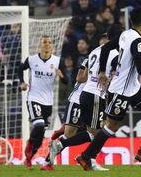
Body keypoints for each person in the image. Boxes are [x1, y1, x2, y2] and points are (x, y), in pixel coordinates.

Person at [75, 7, 141, 170]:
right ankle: (86, 156)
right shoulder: (137, 41)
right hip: (120, 90)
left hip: (133, 87)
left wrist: (102, 72)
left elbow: (106, 48)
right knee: (111, 126)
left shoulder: (125, 34)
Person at [49, 34, 119, 171]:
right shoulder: (113, 54)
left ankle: (87, 159)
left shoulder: (93, 53)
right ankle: (66, 148)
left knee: (91, 132)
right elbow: (80, 78)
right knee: (95, 134)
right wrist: (100, 76)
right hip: (91, 95)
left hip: (86, 95)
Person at [18, 36, 68, 167]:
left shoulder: (58, 61)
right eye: (44, 42)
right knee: (39, 125)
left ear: (53, 46)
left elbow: (67, 80)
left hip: (48, 103)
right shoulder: (32, 59)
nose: (47, 44)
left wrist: (62, 77)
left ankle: (29, 157)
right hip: (34, 98)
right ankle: (29, 144)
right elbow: (20, 68)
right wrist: (22, 82)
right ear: (40, 45)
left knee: (40, 136)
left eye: (49, 43)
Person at [41, 58, 88, 171]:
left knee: (96, 132)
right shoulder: (90, 59)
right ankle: (48, 161)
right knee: (70, 135)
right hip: (78, 101)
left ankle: (87, 158)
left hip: (92, 103)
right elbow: (79, 78)